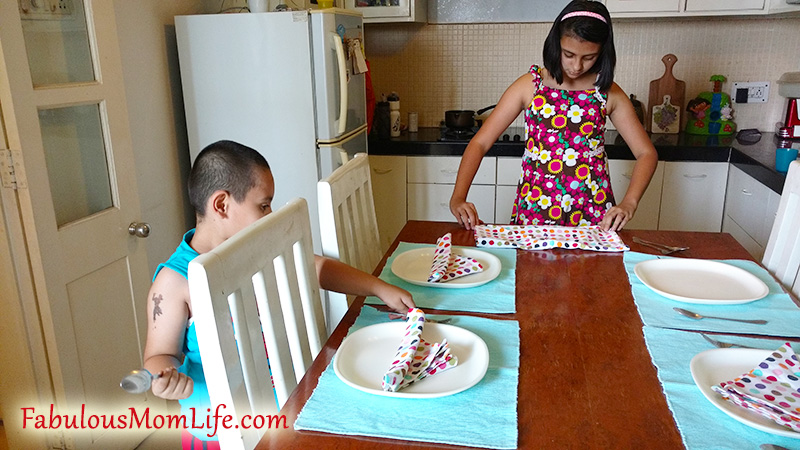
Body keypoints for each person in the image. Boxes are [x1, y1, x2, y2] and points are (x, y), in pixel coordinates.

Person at [142, 140, 414, 449]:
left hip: (285, 412)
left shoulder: (253, 247)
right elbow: (158, 355)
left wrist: (378, 288)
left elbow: (316, 267)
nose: (270, 214)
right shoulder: (175, 281)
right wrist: (164, 377)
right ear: (222, 205)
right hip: (222, 434)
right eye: (263, 205)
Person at [449, 0, 657, 232]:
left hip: (593, 213)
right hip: (535, 210)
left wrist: (630, 202)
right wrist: (458, 197)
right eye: (569, 54)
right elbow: (480, 142)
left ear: (603, 53)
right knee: (532, 269)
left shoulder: (608, 93)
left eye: (589, 57)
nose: (576, 66)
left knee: (593, 270)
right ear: (555, 44)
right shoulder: (530, 85)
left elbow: (646, 153)